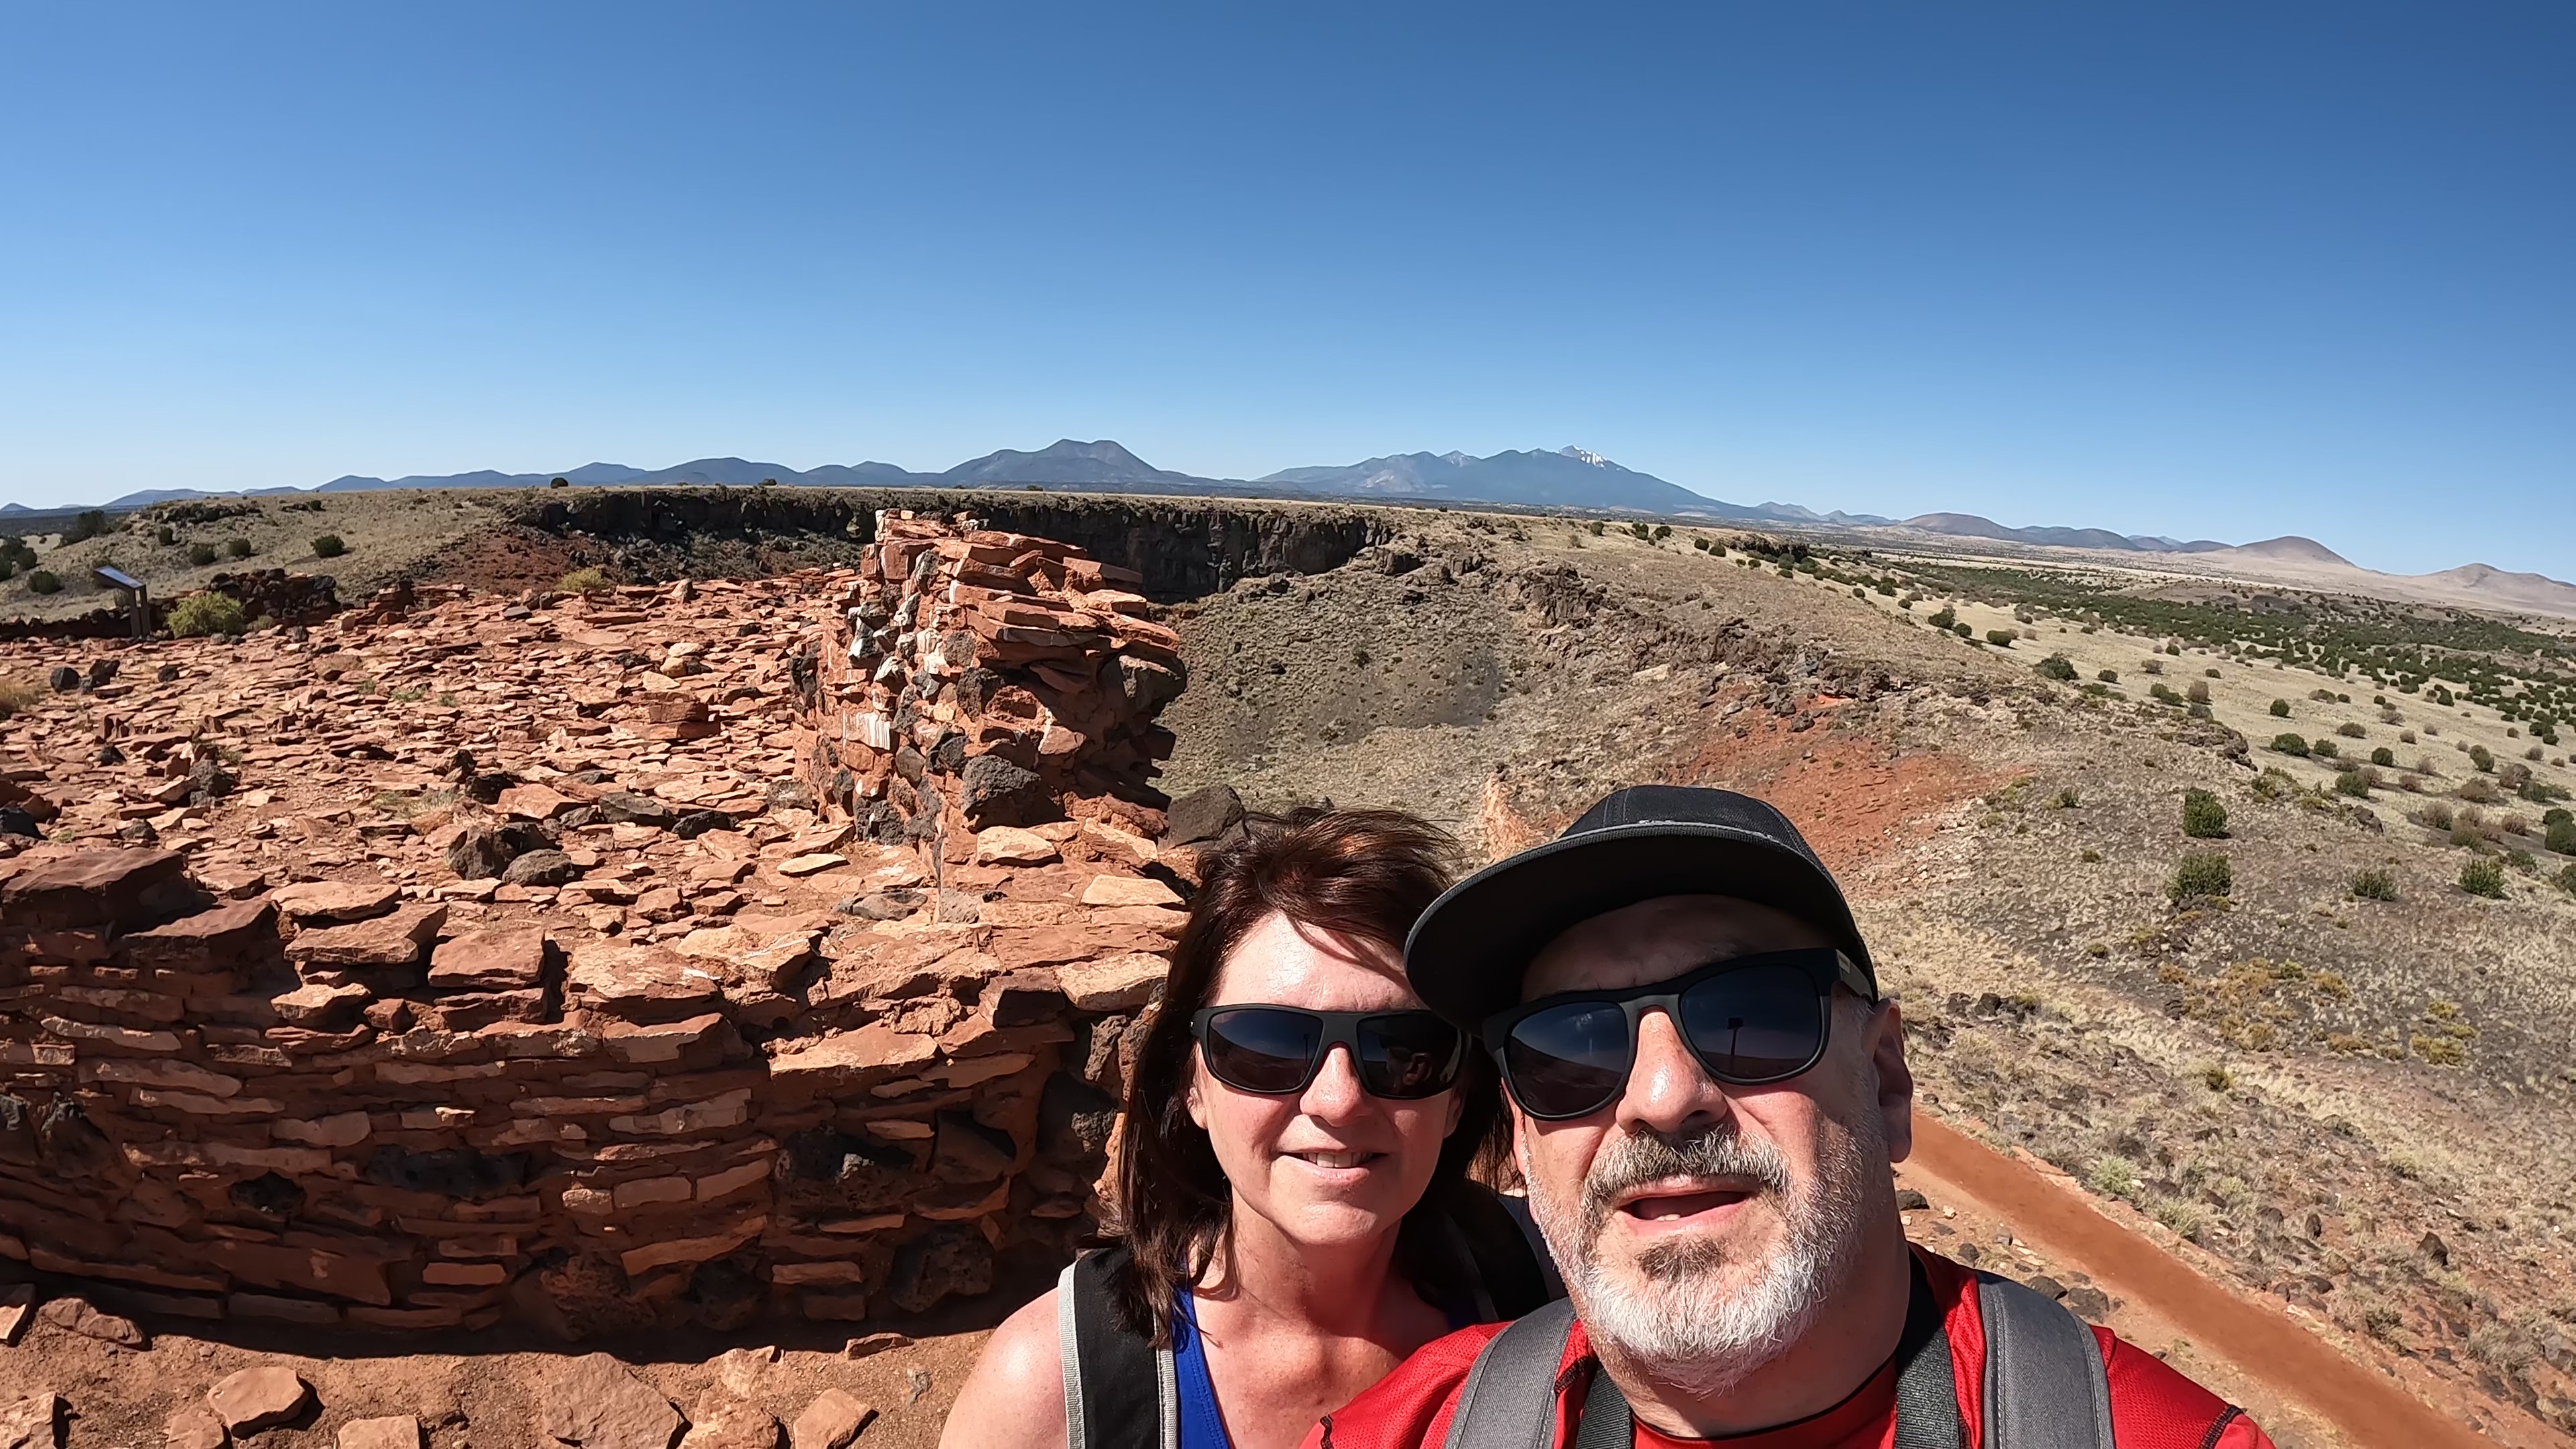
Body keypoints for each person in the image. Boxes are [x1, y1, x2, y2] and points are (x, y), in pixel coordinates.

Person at [1304, 785, 2275, 1449]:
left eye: (1751, 1015)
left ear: (1887, 1084)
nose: (1660, 1099)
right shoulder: (1417, 1427)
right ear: (1521, 1136)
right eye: (1571, 1048)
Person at [943, 807, 1554, 1449]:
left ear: (1458, 1095)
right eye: (1269, 1047)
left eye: (1403, 1052)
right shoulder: (1051, 1396)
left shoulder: (1548, 1285)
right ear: (1192, 1085)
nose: (1339, 1101)